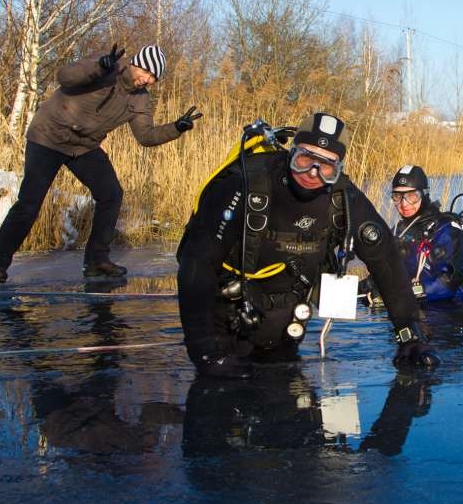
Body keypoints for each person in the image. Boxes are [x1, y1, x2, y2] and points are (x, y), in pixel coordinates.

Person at [176, 113, 440, 378]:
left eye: (326, 166)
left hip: (286, 335)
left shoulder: (343, 199)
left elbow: (386, 261)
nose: (312, 173)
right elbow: (197, 263)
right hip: (223, 331)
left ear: (337, 169)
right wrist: (205, 352)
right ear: (292, 153)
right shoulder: (246, 184)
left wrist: (410, 337)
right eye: (305, 159)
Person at [0, 44, 202, 282]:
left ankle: (97, 261)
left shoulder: (140, 100)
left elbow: (146, 136)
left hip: (83, 147)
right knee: (29, 203)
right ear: (136, 63)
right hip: (49, 136)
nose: (147, 80)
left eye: (153, 78)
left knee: (111, 194)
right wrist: (98, 68)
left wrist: (176, 128)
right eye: (147, 73)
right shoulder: (107, 64)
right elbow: (64, 77)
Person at [363, 165, 463, 305]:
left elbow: (446, 284)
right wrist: (361, 288)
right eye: (397, 196)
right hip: (411, 311)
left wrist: (395, 296)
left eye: (411, 196)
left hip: (451, 316)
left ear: (424, 194)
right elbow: (383, 273)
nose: (404, 203)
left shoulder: (446, 231)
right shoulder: (398, 231)